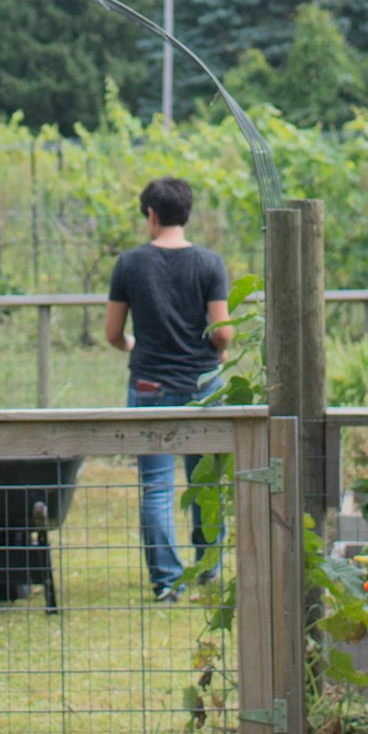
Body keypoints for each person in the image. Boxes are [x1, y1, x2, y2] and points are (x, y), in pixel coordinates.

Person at [103, 174, 232, 599]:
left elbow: (113, 333)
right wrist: (217, 349)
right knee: (206, 481)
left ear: (152, 215)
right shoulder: (210, 264)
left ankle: (166, 582)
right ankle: (209, 566)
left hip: (149, 384)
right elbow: (223, 334)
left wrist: (132, 344)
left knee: (156, 485)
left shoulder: (129, 264)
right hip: (203, 385)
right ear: (187, 214)